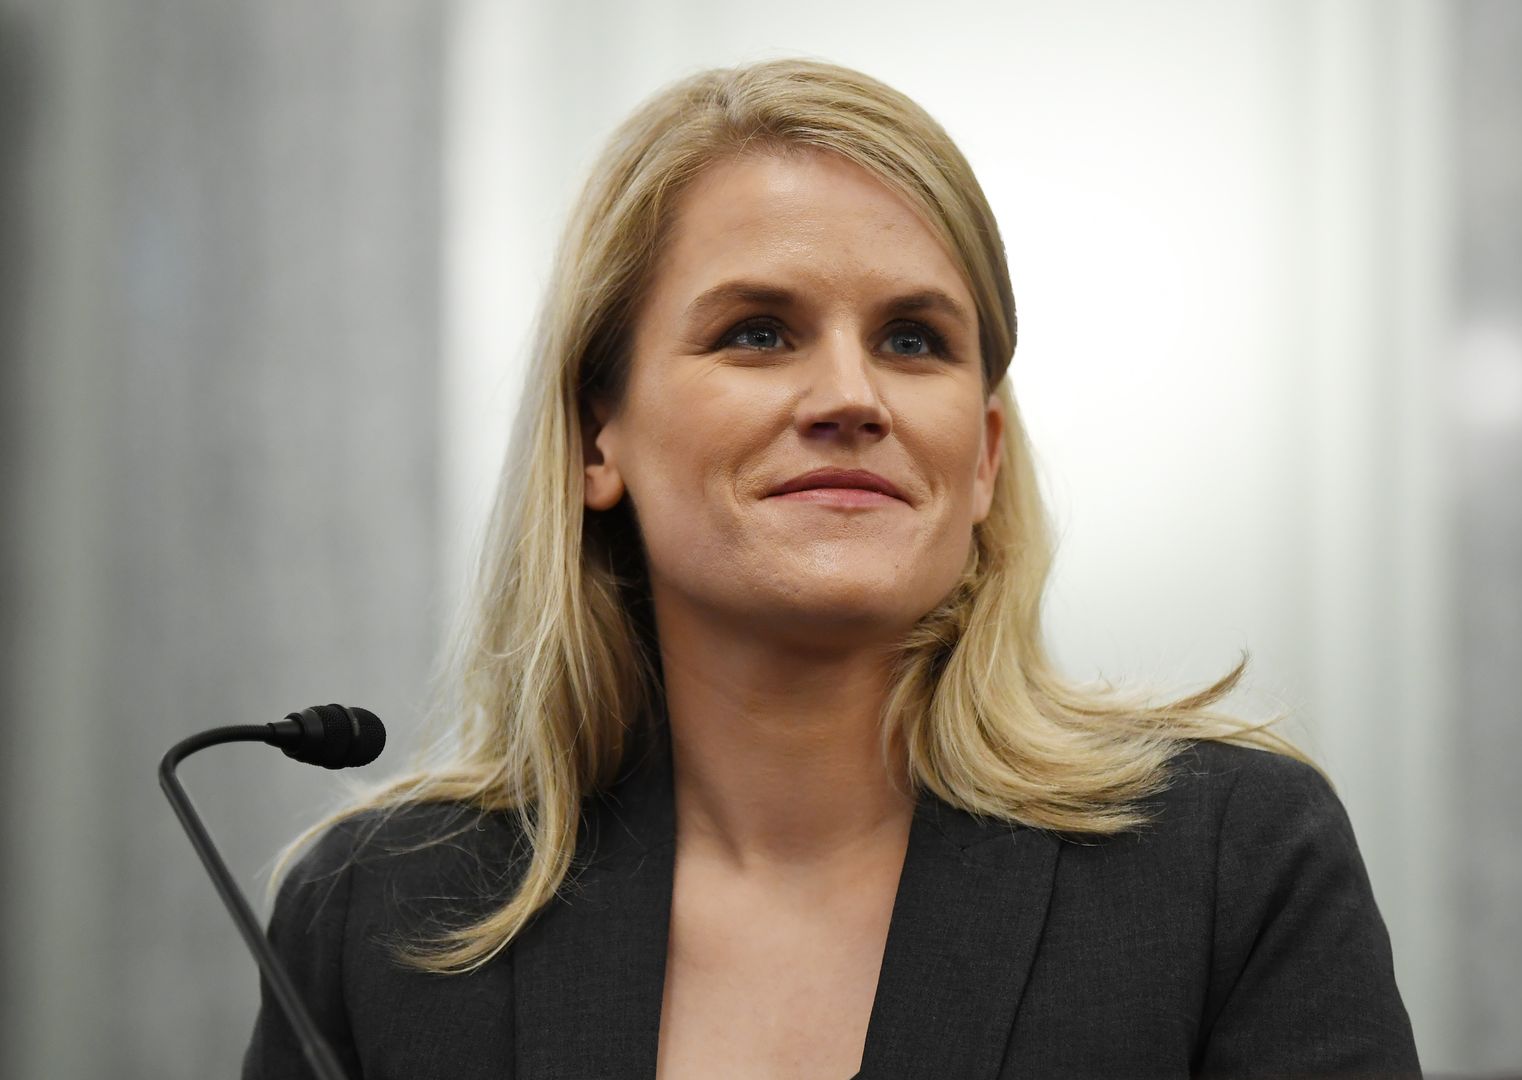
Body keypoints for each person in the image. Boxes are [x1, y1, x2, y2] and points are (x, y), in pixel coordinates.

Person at [242, 57, 1420, 1080]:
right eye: (758, 332)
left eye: (914, 340)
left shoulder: (1226, 860)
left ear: (983, 459)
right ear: (599, 437)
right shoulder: (374, 915)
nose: (851, 398)